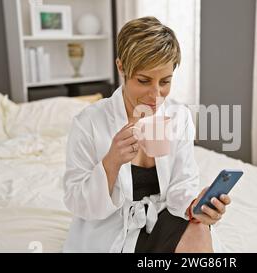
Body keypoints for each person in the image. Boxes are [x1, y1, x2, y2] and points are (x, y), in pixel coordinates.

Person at [63, 16, 231, 253]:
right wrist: (111, 162)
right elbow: (76, 201)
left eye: (165, 81)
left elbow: (182, 183)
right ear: (121, 67)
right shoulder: (88, 123)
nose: (156, 95)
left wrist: (195, 205)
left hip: (163, 217)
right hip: (111, 228)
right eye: (143, 81)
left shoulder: (178, 116)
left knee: (199, 228)